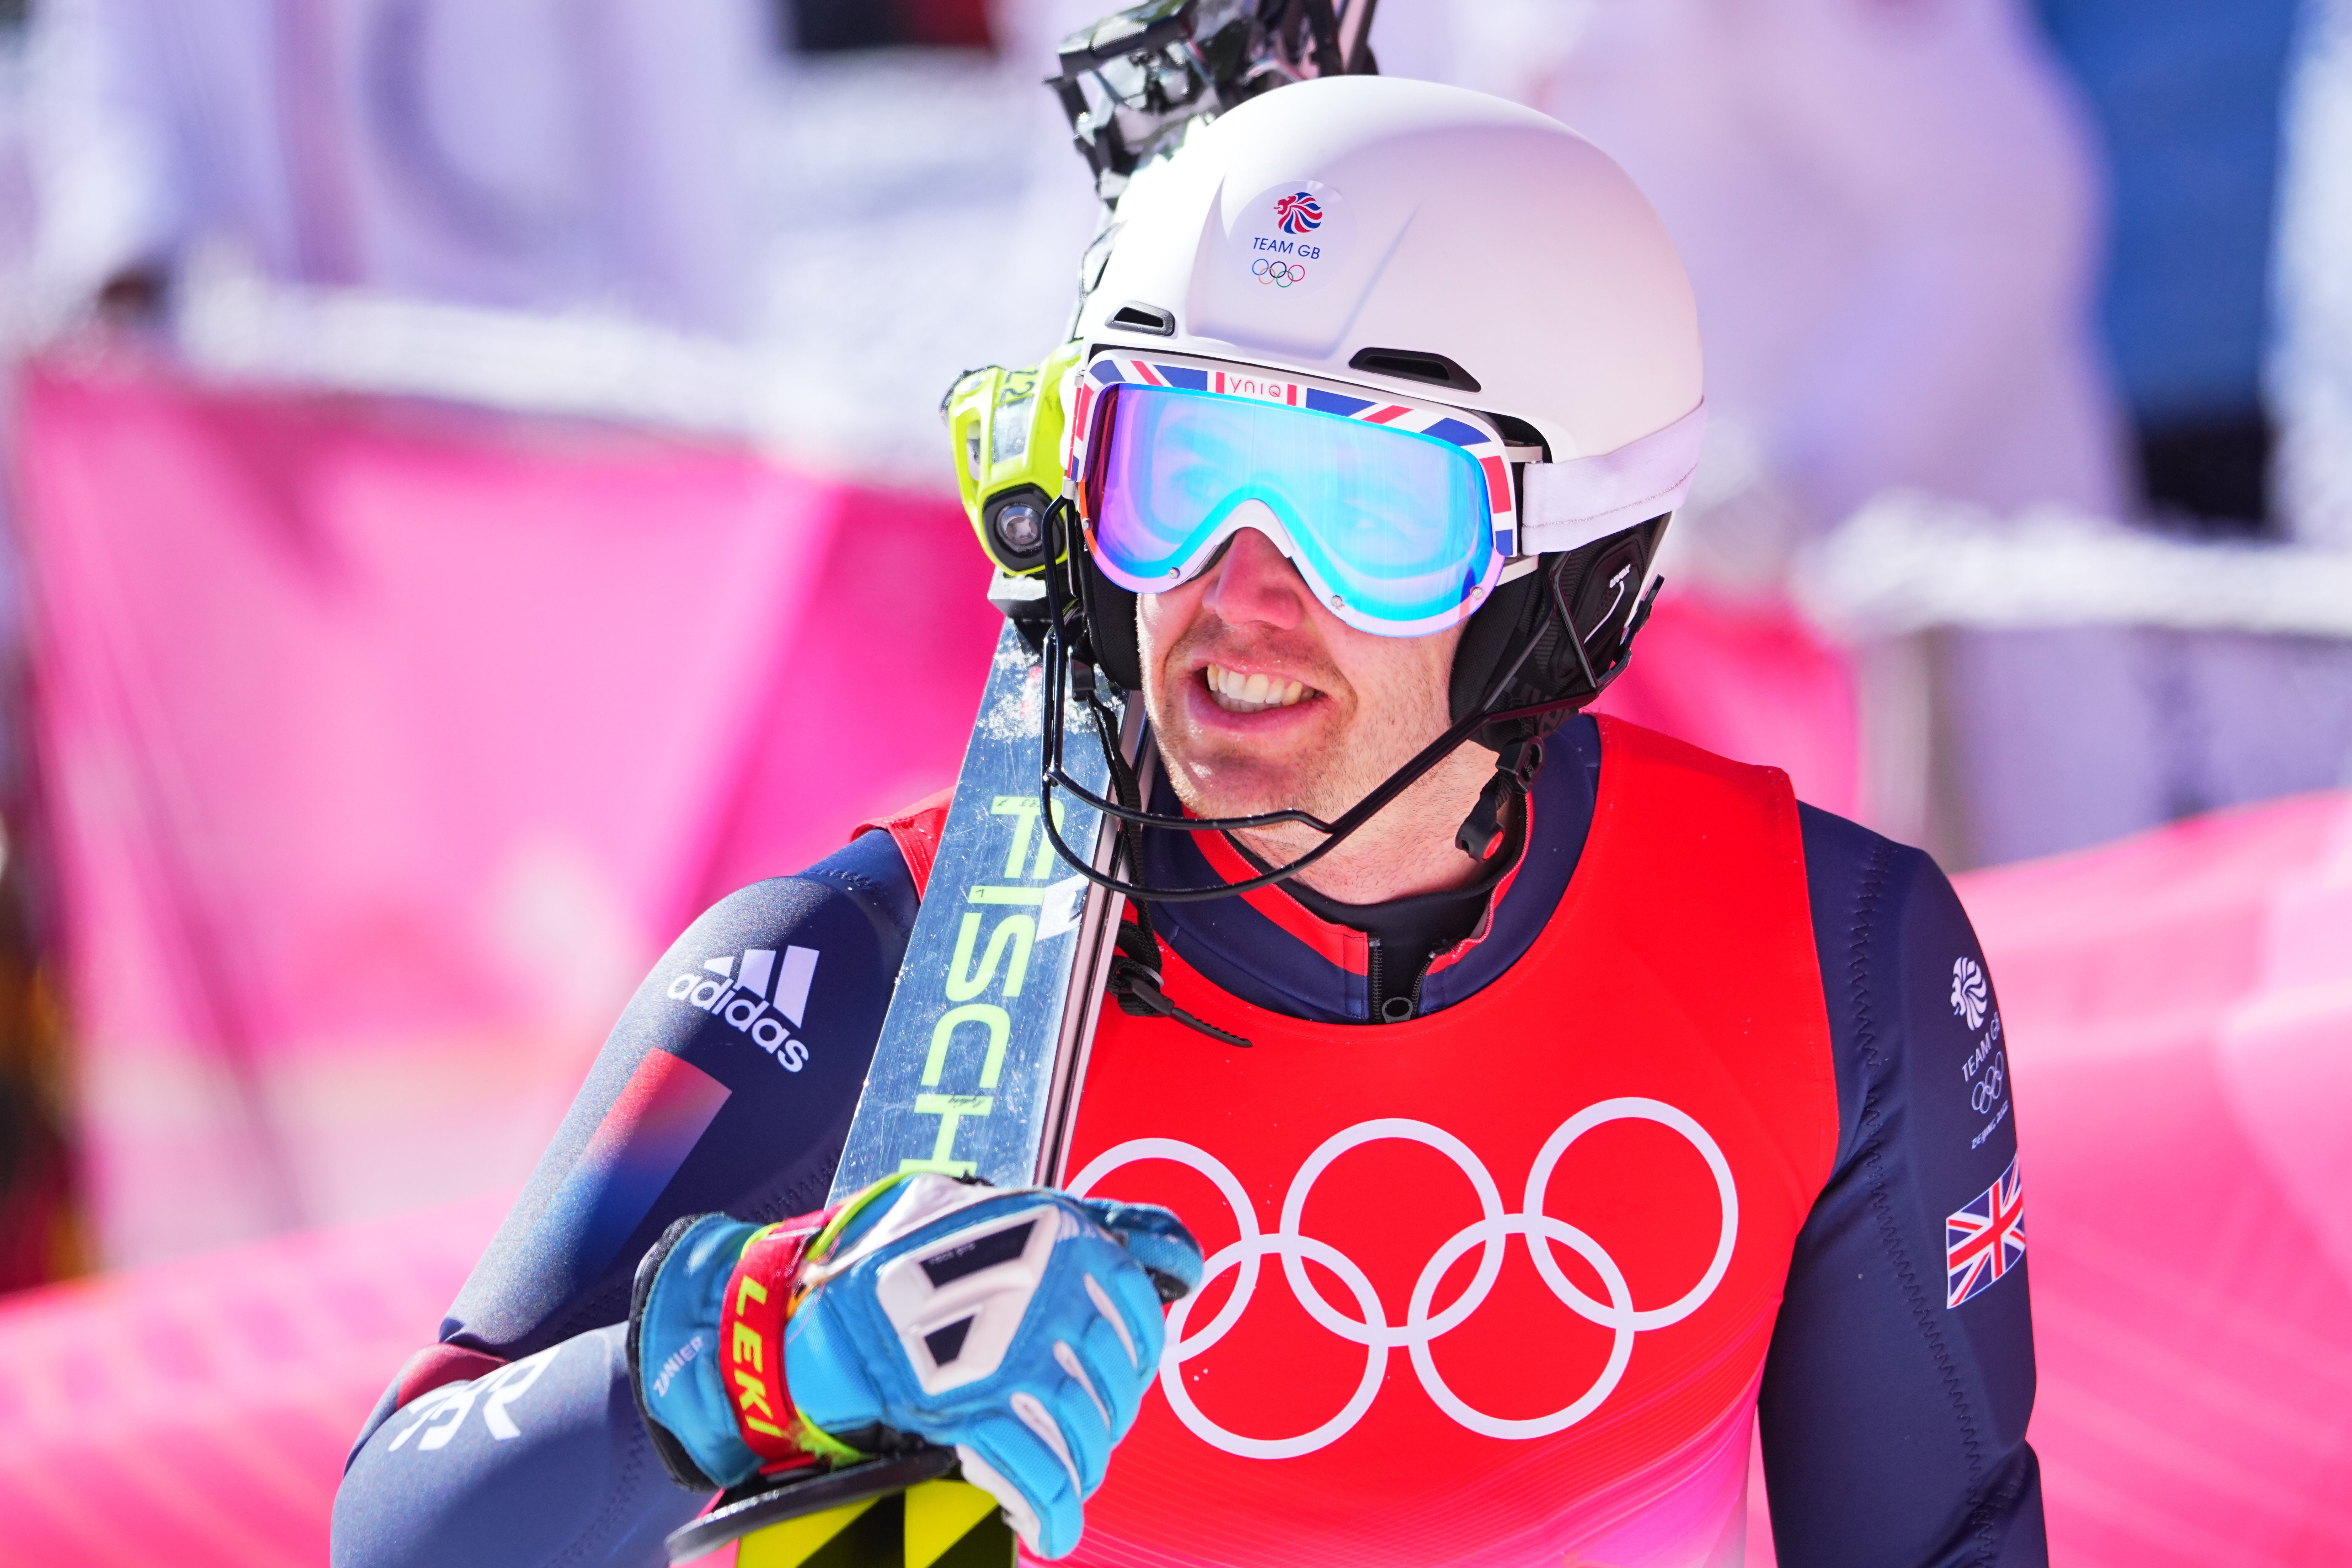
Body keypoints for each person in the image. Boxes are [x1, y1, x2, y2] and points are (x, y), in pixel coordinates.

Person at [330, 75, 2043, 1567]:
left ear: (1571, 572)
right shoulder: (848, 969)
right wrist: (758, 1354)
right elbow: (398, 1529)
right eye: (1173, 468)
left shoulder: (1828, 954)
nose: (1236, 597)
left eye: (1366, 512)